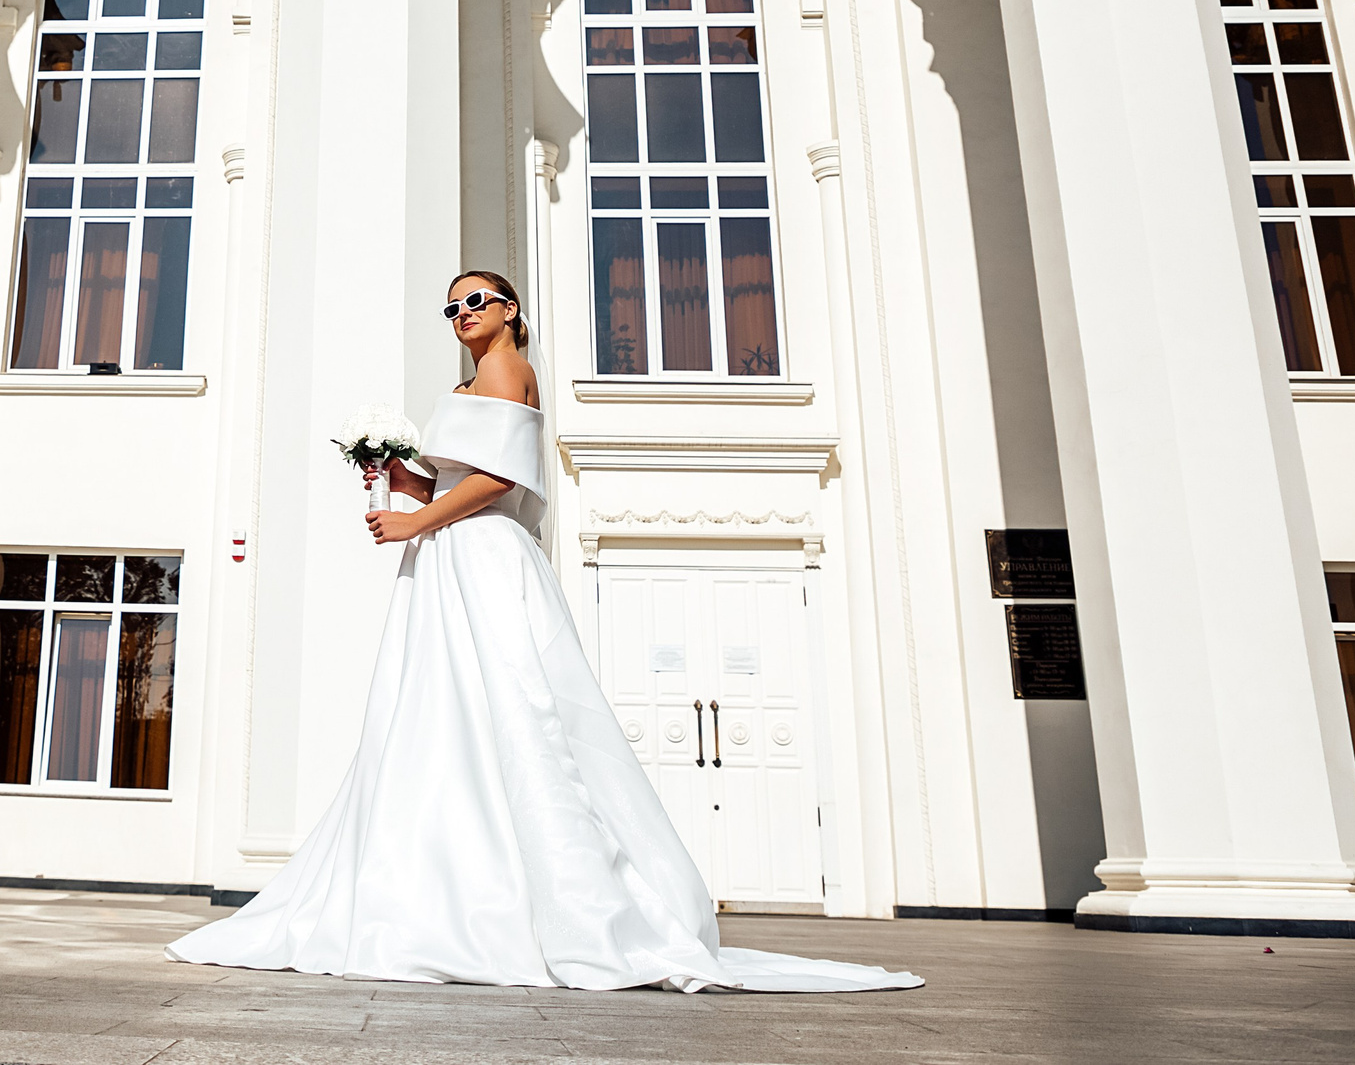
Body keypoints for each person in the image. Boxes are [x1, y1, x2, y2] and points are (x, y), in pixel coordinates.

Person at [167, 269, 920, 994]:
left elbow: (499, 481)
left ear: (510, 309)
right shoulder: (471, 385)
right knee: (451, 709)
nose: (463, 313)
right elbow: (460, 479)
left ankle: (534, 903)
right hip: (452, 554)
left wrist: (412, 523)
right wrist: (403, 479)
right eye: (452, 307)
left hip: (480, 555)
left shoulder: (508, 370)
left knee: (508, 706)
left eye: (476, 300)